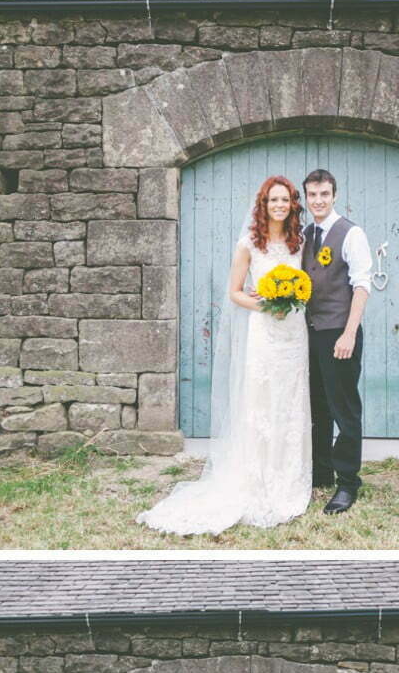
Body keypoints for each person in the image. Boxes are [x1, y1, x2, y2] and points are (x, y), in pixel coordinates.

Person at [136, 175, 311, 535]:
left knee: (290, 403)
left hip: (294, 335)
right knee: (261, 403)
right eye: (272, 200)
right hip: (264, 334)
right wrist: (264, 306)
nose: (279, 205)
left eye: (285, 200)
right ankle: (257, 479)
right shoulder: (249, 243)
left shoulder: (300, 242)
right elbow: (234, 293)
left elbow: (306, 285)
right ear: (263, 205)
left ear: (293, 204)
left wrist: (292, 299)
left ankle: (288, 477)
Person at [302, 168, 372, 515]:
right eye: (312, 195)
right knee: (317, 407)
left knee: (345, 409)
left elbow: (362, 286)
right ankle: (321, 472)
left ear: (334, 195)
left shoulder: (350, 233)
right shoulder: (305, 234)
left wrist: (348, 333)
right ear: (306, 197)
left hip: (339, 333)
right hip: (310, 333)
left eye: (324, 195)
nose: (318, 201)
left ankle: (347, 483)